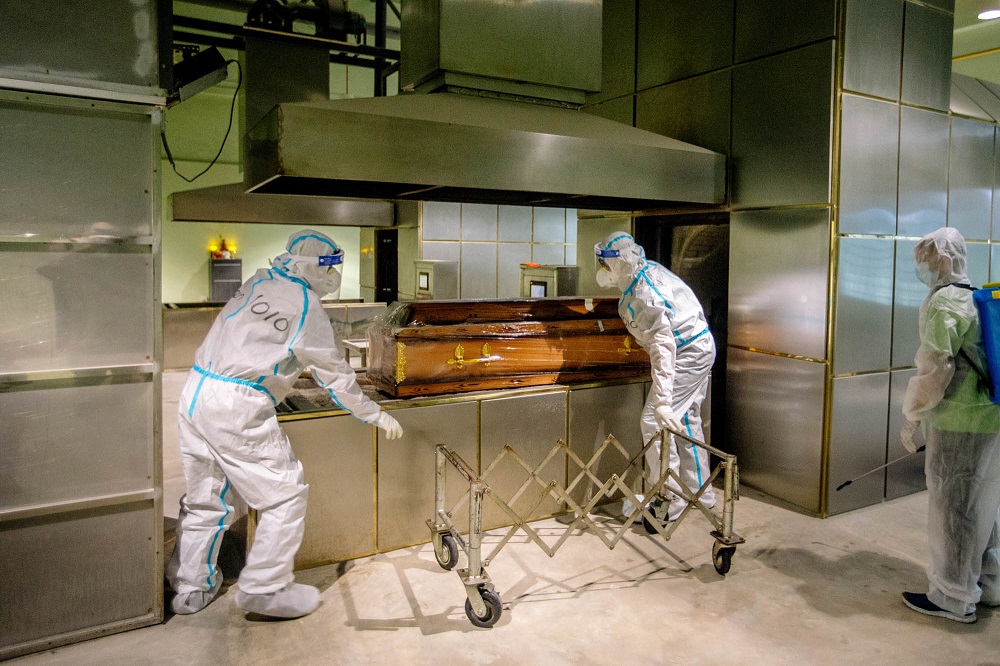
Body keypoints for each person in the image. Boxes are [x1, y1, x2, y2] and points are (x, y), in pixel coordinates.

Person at [166, 229, 403, 619]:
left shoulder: (261, 279)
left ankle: (191, 587)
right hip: (238, 403)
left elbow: (274, 338)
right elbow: (334, 374)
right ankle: (265, 587)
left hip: (197, 390)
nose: (334, 277)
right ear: (313, 267)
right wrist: (372, 413)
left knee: (205, 496)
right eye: (330, 268)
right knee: (285, 495)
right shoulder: (306, 304)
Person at [900, 226, 1000, 624]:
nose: (922, 266)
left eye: (925, 258)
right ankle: (989, 583)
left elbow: (935, 369)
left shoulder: (943, 304)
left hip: (959, 418)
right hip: (991, 414)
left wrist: (913, 414)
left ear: (941, 258)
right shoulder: (978, 298)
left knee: (953, 506)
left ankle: (953, 596)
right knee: (984, 503)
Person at [595, 231, 716, 524]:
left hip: (687, 352)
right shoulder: (642, 278)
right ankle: (701, 492)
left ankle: (668, 499)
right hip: (698, 345)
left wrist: (662, 401)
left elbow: (664, 347)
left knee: (654, 421)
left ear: (619, 263)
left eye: (604, 263)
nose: (601, 269)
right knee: (686, 420)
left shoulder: (644, 292)